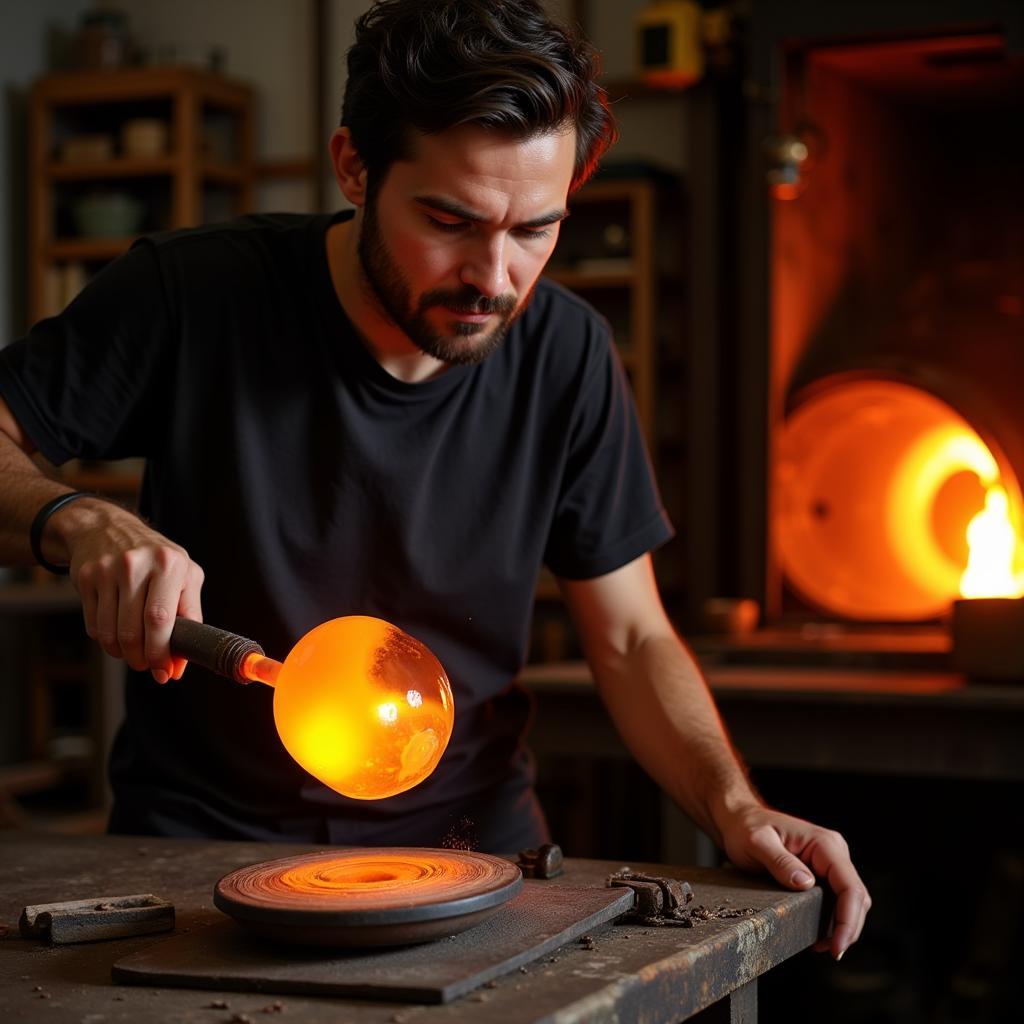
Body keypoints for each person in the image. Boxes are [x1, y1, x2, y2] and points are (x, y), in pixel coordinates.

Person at [0, 0, 868, 958]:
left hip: (475, 856)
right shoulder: (192, 295)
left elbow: (628, 635)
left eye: (537, 229)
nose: (494, 276)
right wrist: (75, 519)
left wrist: (735, 807)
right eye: (450, 221)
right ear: (354, 167)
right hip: (202, 853)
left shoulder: (568, 352)